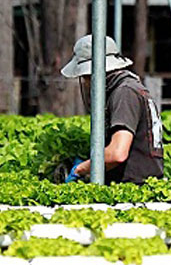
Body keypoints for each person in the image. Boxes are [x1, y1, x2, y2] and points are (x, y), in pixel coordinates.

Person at [59, 34, 165, 185]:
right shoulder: (128, 87)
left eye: (85, 76)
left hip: (134, 190)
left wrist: (80, 169)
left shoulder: (124, 93)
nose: (85, 81)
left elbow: (117, 153)